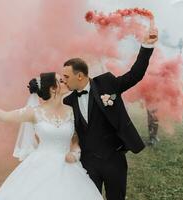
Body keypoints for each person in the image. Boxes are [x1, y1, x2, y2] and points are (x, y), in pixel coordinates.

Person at [0, 72, 104, 200]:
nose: (66, 82)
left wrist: (75, 152)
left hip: (70, 167)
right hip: (40, 165)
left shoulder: (72, 111)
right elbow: (5, 116)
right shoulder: (34, 112)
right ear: (52, 88)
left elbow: (77, 138)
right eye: (61, 81)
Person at [62, 27, 158, 200]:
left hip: (114, 159)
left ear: (81, 76)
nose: (64, 81)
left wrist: (146, 47)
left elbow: (134, 75)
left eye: (66, 77)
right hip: (88, 163)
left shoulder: (107, 84)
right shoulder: (67, 102)